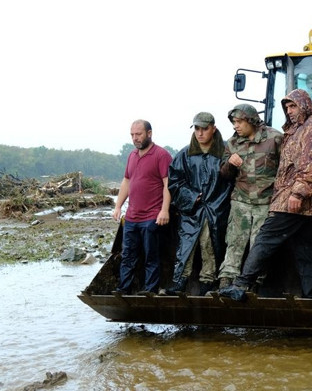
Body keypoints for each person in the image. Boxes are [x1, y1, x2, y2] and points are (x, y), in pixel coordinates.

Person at [220, 89, 312, 300]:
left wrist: (297, 194)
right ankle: (310, 298)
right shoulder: (296, 129)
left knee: (265, 238)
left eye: (293, 106)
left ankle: (241, 285)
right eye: (287, 107)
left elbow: (310, 164)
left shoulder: (311, 127)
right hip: (304, 203)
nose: (289, 111)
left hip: (295, 200)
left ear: (304, 105)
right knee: (304, 251)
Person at [216, 103, 283, 290]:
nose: (235, 126)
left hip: (266, 202)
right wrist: (230, 164)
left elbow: (287, 169)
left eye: (239, 122)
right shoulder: (233, 143)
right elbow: (224, 175)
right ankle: (226, 281)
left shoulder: (275, 138)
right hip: (241, 201)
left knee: (259, 245)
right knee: (234, 242)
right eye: (233, 123)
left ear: (251, 120)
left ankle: (255, 284)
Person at [166, 112, 232, 295]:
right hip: (192, 210)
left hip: (217, 209)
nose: (200, 133)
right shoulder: (185, 154)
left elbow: (233, 181)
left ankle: (208, 282)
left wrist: (221, 204)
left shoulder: (225, 152)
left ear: (214, 129)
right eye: (197, 128)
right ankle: (180, 281)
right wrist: (191, 197)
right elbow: (174, 181)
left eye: (204, 129)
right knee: (186, 244)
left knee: (210, 244)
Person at [112, 119, 172, 295]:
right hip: (131, 217)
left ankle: (150, 290)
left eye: (138, 134)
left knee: (151, 256)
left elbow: (168, 184)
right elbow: (127, 182)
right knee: (128, 256)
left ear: (149, 133)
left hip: (152, 216)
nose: (135, 138)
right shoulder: (131, 156)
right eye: (132, 135)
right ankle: (124, 289)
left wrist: (164, 210)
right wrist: (118, 207)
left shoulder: (162, 155)